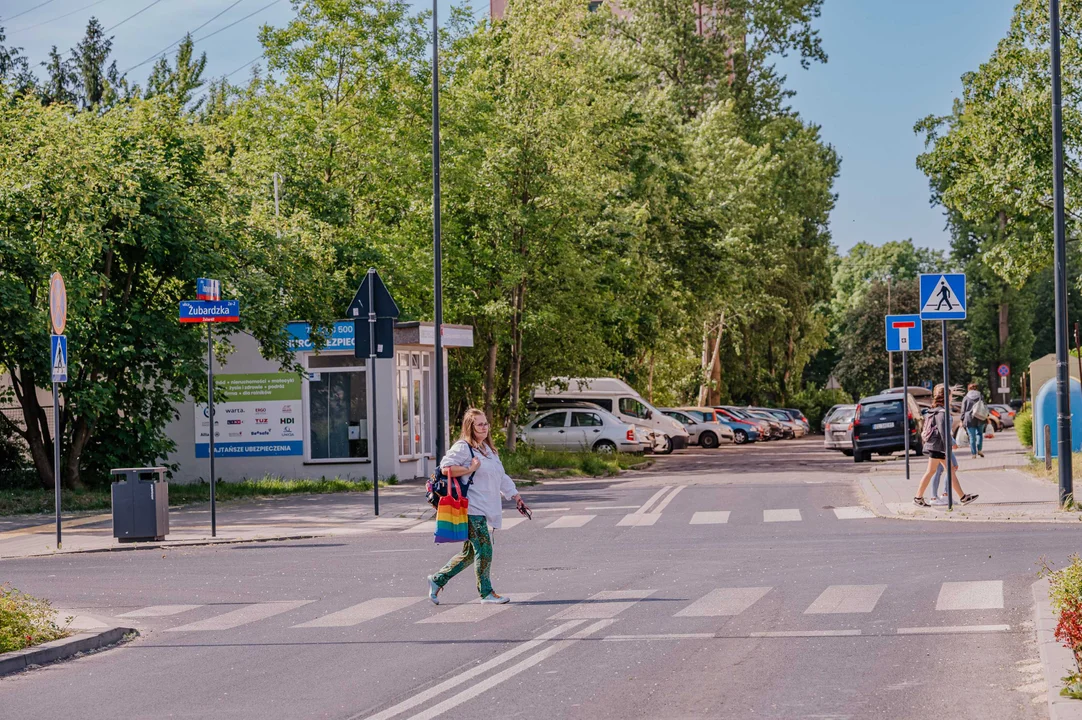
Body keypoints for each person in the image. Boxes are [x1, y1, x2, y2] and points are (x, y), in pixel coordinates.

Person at [427, 408, 529, 606]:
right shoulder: (463, 448)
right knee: (485, 548)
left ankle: (438, 579)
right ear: (470, 427)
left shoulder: (488, 450)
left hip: (486, 507)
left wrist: (516, 496)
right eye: (479, 424)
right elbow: (444, 468)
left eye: (486, 423)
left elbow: (501, 476)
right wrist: (469, 469)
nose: (484, 427)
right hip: (471, 508)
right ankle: (486, 592)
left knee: (470, 553)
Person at [915, 384, 978, 507]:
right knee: (948, 470)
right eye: (950, 395)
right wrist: (949, 446)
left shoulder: (936, 410)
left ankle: (919, 497)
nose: (952, 397)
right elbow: (943, 432)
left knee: (941, 471)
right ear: (946, 397)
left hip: (935, 446)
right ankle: (962, 497)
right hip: (939, 447)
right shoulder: (942, 412)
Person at [960, 383, 986, 458]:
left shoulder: (966, 398)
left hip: (969, 419)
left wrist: (961, 419)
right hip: (980, 417)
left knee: (972, 437)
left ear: (968, 389)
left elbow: (963, 410)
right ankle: (980, 450)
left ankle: (973, 454)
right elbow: (984, 406)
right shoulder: (980, 396)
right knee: (980, 434)